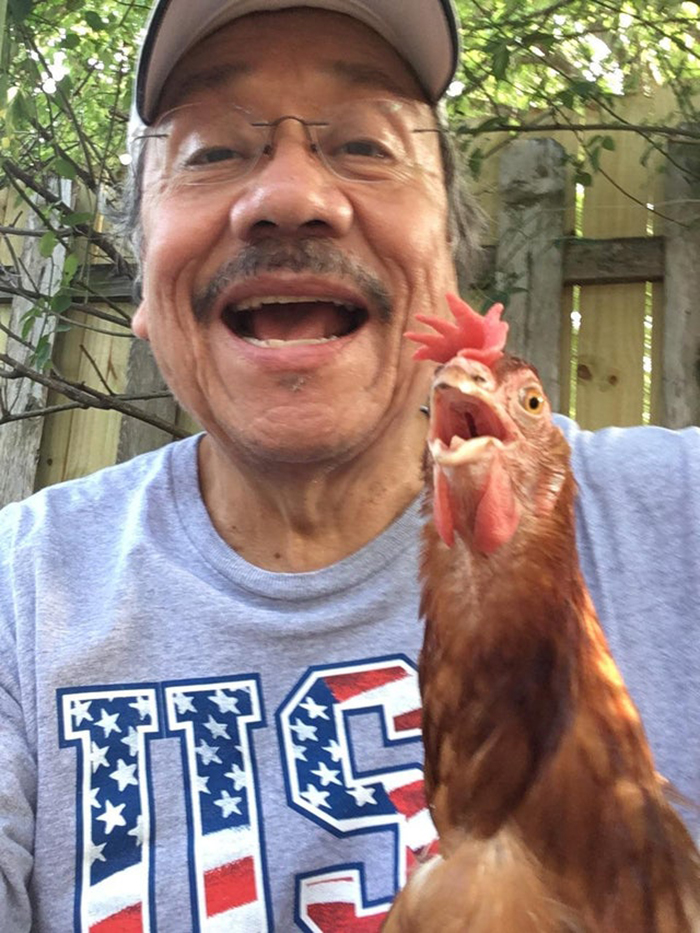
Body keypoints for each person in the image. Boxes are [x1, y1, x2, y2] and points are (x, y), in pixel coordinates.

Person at [0, 0, 698, 930]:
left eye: (367, 145)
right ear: (139, 288)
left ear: (447, 263)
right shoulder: (19, 600)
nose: (292, 197)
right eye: (211, 151)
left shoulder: (681, 514)